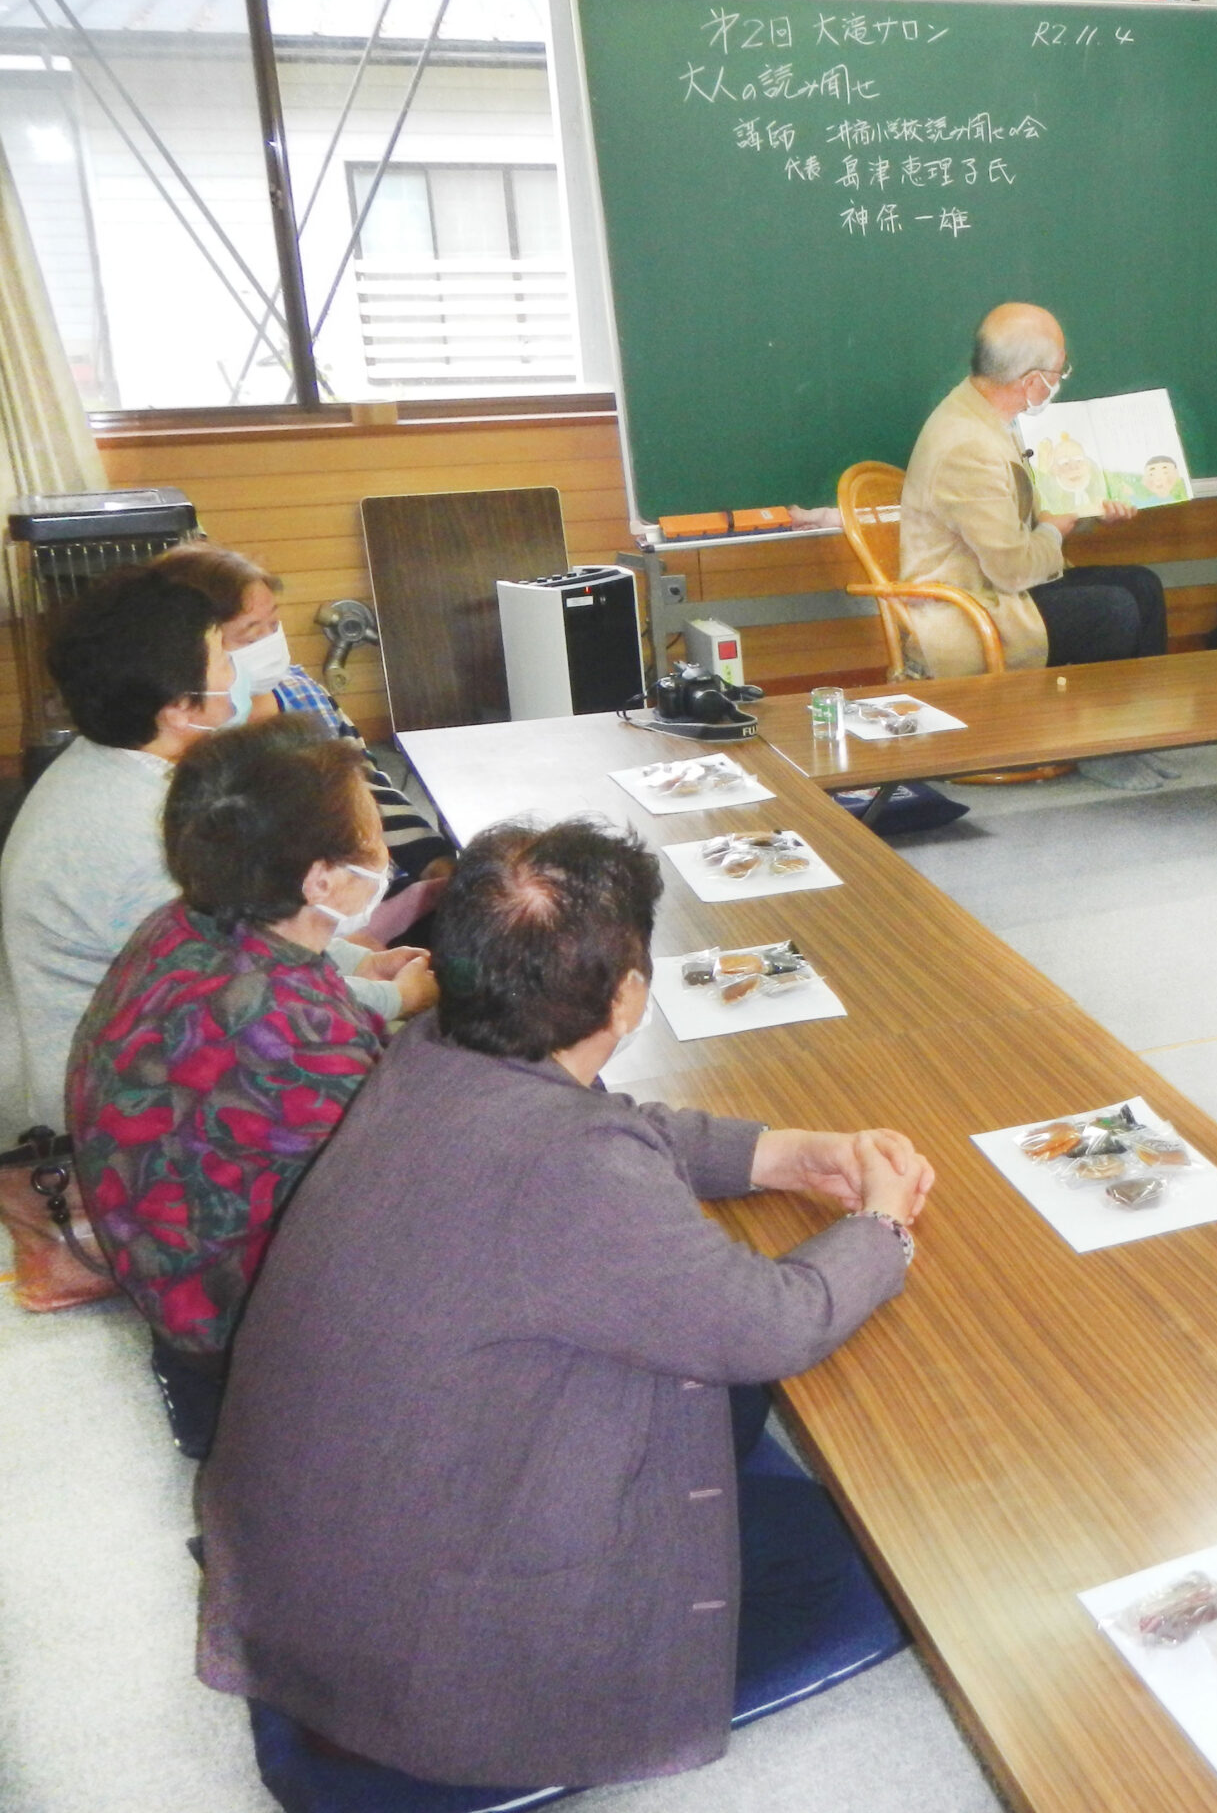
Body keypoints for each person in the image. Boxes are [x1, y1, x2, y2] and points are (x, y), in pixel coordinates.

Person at [197, 818, 935, 1794]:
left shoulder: (430, 1053)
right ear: (627, 997)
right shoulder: (570, 1168)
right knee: (864, 1572)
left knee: (746, 1450)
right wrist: (882, 1227)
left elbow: (615, 1122)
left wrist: (786, 1153)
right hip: (426, 1663)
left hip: (324, 1580)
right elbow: (771, 1321)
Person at [65, 720, 428, 1460]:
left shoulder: (186, 924)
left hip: (166, 1277)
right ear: (320, 880)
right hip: (233, 1345)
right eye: (370, 830)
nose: (383, 849)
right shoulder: (296, 1029)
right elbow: (414, 1196)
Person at [0, 572, 409, 1131]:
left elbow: (244, 936)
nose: (237, 672)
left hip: (125, 1041)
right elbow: (246, 988)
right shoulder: (145, 830)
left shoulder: (112, 765)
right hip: (101, 1098)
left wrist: (363, 962)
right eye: (224, 658)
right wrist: (391, 998)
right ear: (176, 706)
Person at [151, 543, 457, 887]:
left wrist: (432, 860)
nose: (269, 642)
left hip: (367, 884)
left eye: (274, 624)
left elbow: (365, 783)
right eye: (251, 632)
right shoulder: (188, 730)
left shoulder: (302, 692)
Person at [897, 301, 1163, 678]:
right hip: (971, 607)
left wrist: (1091, 511)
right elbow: (1014, 569)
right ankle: (1096, 731)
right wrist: (1055, 529)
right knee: (1114, 611)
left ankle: (1150, 724)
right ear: (1032, 381)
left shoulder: (984, 414)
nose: (1059, 381)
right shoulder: (968, 446)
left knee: (1142, 586)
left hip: (1000, 589)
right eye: (1059, 372)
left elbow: (1036, 513)